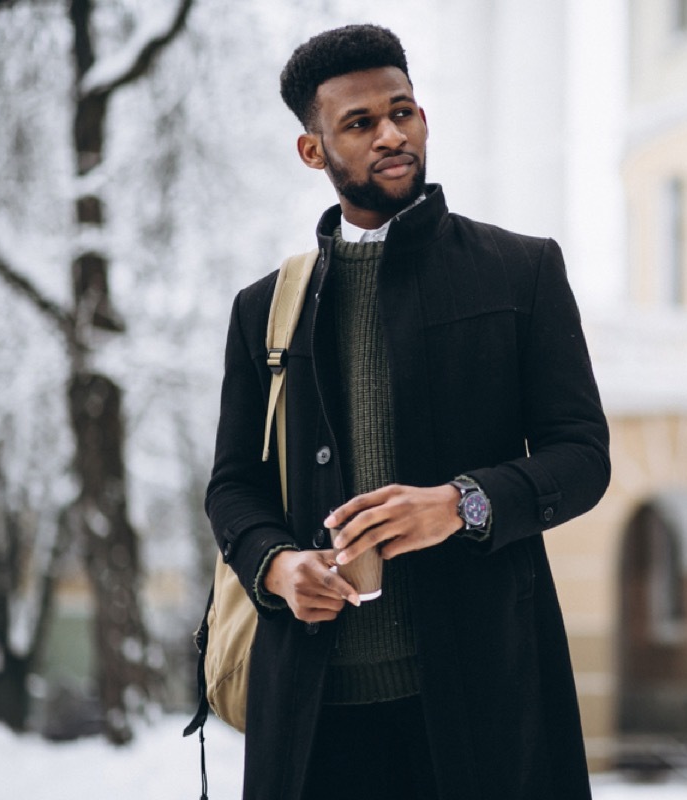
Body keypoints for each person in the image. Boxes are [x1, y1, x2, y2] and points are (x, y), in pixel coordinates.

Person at [205, 23, 610, 800]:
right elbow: (232, 488)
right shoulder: (263, 311)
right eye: (360, 122)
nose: (392, 134)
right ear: (314, 150)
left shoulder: (521, 271)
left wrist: (462, 504)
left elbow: (582, 457)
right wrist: (278, 566)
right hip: (315, 714)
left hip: (482, 698)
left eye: (404, 111)